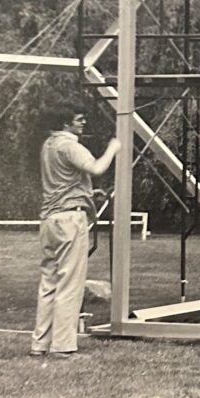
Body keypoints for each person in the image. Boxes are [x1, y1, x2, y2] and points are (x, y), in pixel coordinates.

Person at [30, 103, 121, 358]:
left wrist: (88, 193)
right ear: (66, 123)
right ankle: (63, 347)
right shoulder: (69, 144)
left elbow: (66, 180)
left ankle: (40, 345)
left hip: (50, 219)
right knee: (70, 283)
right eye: (79, 120)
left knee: (49, 282)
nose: (83, 123)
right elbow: (96, 168)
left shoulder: (48, 145)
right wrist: (113, 149)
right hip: (70, 220)